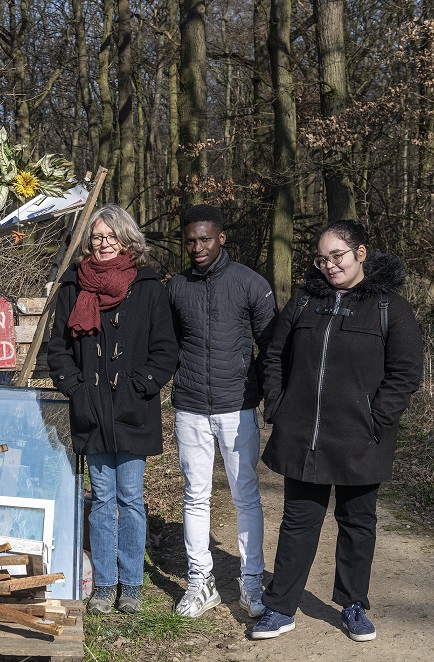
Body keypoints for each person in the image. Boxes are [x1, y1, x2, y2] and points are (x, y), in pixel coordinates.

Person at [252, 220, 423, 641]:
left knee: (357, 522)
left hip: (361, 439)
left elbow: (405, 373)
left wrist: (376, 419)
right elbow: (275, 352)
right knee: (298, 521)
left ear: (360, 253)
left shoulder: (390, 306)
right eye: (322, 258)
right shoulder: (306, 301)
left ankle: (352, 605)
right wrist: (277, 403)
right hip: (304, 437)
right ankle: (279, 608)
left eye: (338, 256)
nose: (329, 266)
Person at [48, 204, 178, 615]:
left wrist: (141, 385)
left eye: (111, 237)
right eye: (97, 237)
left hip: (132, 408)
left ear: (127, 240)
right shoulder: (73, 287)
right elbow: (59, 349)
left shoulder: (148, 286)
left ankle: (133, 583)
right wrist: (76, 388)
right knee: (102, 498)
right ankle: (105, 584)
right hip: (91, 408)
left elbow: (165, 349)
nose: (103, 244)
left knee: (131, 497)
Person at [167, 204, 277, 618]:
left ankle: (252, 583)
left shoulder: (251, 284)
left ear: (221, 238)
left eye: (205, 239)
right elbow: (170, 344)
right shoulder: (176, 287)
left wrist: (268, 398)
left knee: (245, 496)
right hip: (190, 408)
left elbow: (272, 348)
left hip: (238, 407)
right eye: (191, 240)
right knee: (194, 496)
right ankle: (201, 583)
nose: (197, 246)